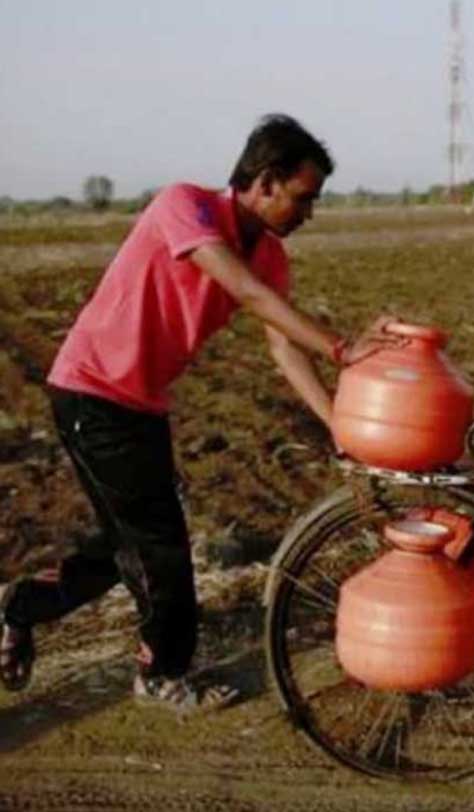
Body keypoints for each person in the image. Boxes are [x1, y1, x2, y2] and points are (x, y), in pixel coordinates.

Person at [0, 113, 391, 712]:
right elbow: (247, 293)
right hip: (90, 392)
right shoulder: (185, 206)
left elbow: (282, 347)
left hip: (140, 404)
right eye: (303, 198)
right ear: (264, 182)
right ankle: (161, 673)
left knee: (127, 539)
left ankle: (21, 607)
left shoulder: (271, 256)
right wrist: (342, 348)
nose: (308, 214)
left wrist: (337, 421)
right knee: (161, 548)